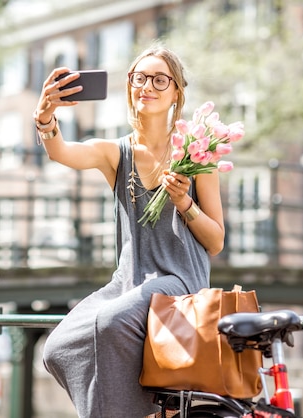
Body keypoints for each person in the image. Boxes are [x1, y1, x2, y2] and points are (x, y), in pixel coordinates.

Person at [32, 43, 225, 418]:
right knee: (58, 347)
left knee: (110, 321)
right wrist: (45, 116)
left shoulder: (198, 153)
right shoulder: (115, 153)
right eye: (140, 78)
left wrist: (185, 203)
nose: (147, 86)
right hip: (129, 281)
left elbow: (215, 241)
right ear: (129, 85)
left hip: (179, 279)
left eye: (159, 79)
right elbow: (62, 152)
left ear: (176, 93)